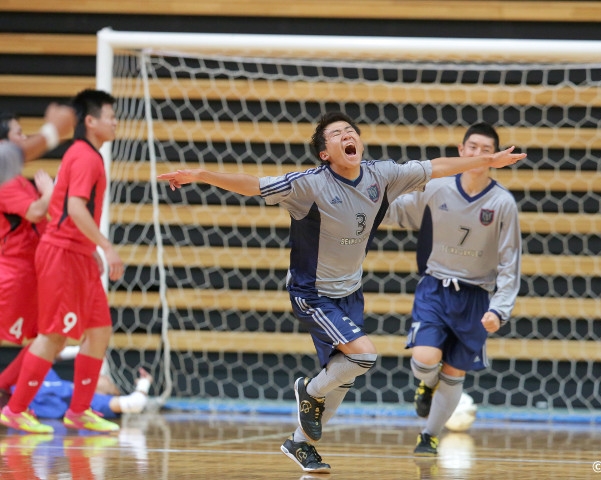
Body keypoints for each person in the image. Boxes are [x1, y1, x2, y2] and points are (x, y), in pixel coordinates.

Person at [157, 112, 526, 473]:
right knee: (364, 356)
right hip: (312, 292)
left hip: (351, 292)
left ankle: (300, 442)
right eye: (337, 134)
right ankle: (309, 390)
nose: (347, 135)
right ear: (325, 153)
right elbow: (253, 184)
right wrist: (202, 175)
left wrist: (490, 160)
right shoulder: (307, 185)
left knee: (345, 376)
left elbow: (435, 167)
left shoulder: (381, 175)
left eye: (351, 130)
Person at [382, 122, 521, 456]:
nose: (477, 154)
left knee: (455, 371)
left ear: (495, 158)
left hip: (476, 297)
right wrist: (362, 205)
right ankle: (426, 385)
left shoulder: (502, 203)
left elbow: (510, 263)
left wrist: (500, 309)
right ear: (461, 151)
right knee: (425, 357)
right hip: (436, 287)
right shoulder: (437, 188)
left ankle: (428, 435)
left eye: (486, 150)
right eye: (471, 147)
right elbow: (400, 211)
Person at [0, 89, 124, 434]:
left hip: (78, 253)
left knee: (99, 330)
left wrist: (91, 251)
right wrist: (106, 247)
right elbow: (73, 208)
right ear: (90, 121)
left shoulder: (90, 155)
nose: (115, 121)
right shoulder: (84, 156)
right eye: (109, 115)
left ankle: (79, 410)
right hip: (62, 254)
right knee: (54, 334)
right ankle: (15, 408)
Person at [0, 112, 55, 407]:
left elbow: (41, 220)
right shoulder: (6, 182)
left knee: (50, 337)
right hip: (12, 273)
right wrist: (50, 192)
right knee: (50, 337)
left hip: (31, 271)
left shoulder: (20, 180)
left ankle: (5, 388)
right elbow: (35, 212)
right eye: (18, 134)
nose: (24, 139)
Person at [0, 103, 75, 187]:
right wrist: (54, 131)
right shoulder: (8, 183)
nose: (25, 138)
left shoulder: (15, 177)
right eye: (19, 133)